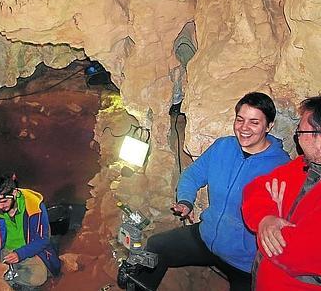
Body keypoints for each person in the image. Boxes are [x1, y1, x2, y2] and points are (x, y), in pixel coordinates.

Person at [133, 92, 290, 291]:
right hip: (207, 236)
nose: (244, 128)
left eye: (254, 122)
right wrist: (186, 201)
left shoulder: (281, 167)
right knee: (156, 247)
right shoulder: (223, 147)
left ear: (269, 126)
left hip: (245, 260)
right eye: (240, 119)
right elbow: (193, 174)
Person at [242, 96, 321, 290]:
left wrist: (268, 229)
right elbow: (255, 190)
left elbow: (294, 252)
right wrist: (266, 218)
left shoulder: (279, 159)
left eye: (301, 132)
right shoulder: (304, 165)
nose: (298, 138)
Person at [0, 173, 60, 289]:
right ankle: (8, 275)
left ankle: (6, 276)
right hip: (5, 252)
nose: (0, 206)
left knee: (38, 277)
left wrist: (20, 254)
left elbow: (43, 239)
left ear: (14, 193)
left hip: (30, 251)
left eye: (4, 201)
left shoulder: (34, 205)